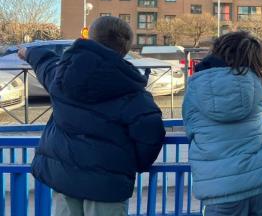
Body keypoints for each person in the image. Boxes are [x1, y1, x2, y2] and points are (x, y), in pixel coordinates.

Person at [18, 16, 165, 216]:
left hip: (64, 177)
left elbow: (45, 63)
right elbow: (151, 133)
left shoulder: (61, 76)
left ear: (90, 38)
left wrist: (29, 52)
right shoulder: (133, 93)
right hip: (108, 184)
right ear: (126, 48)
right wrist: (133, 163)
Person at [183, 31, 262, 216]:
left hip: (219, 187)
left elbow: (191, 127)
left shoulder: (196, 86)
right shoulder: (255, 84)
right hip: (257, 182)